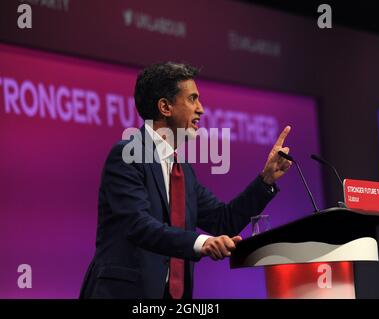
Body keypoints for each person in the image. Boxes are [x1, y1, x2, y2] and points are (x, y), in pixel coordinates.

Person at [79, 62, 292, 299]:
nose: (201, 109)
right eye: (192, 99)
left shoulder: (183, 171)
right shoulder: (128, 154)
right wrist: (202, 243)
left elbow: (223, 220)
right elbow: (137, 225)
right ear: (165, 107)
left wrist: (266, 179)